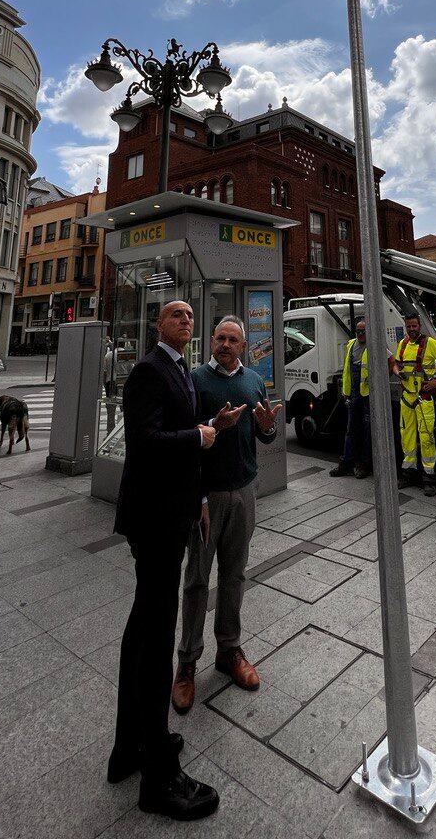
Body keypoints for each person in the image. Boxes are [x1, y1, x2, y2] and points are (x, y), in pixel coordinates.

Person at [109, 301, 228, 823]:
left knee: (143, 630)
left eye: (188, 316)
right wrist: (198, 437)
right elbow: (145, 442)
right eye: (175, 315)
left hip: (173, 513)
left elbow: (179, 436)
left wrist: (199, 498)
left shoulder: (179, 370)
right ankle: (157, 778)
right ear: (158, 324)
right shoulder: (147, 370)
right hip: (153, 521)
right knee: (156, 638)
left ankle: (130, 746)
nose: (186, 320)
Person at [172, 315, 280, 716]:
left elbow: (262, 433)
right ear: (211, 341)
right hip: (206, 496)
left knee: (235, 574)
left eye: (234, 339)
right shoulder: (196, 380)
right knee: (197, 579)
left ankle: (229, 651)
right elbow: (186, 437)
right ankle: (186, 663)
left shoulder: (253, 381)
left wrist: (267, 428)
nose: (226, 344)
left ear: (244, 345)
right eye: (220, 337)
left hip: (243, 491)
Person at [389, 312, 436, 497]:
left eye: (414, 326)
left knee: (426, 438)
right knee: (407, 438)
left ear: (419, 326)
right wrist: (397, 372)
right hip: (407, 399)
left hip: (423, 398)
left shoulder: (429, 343)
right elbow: (395, 364)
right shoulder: (402, 344)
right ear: (406, 326)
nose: (411, 329)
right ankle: (408, 473)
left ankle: (429, 478)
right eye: (409, 326)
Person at [329, 318, 371, 479]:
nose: (360, 334)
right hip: (353, 395)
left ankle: (364, 465)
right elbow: (347, 371)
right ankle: (346, 463)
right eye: (358, 331)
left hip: (367, 396)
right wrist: (346, 392)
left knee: (367, 432)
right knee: (351, 430)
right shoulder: (351, 345)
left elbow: (390, 361)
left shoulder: (373, 344)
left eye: (363, 331)